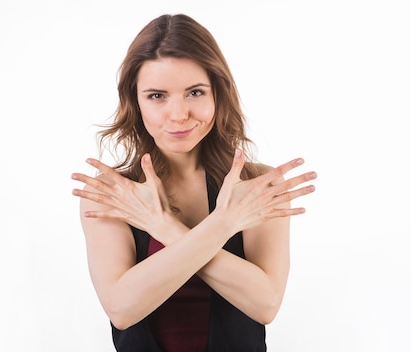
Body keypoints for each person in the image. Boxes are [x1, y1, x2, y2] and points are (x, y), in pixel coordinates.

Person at [70, 13, 316, 352]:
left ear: (218, 93)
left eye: (195, 92)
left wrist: (164, 226)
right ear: (135, 101)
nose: (178, 114)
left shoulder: (256, 186)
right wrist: (224, 224)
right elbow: (122, 308)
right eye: (157, 96)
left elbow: (265, 304)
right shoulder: (113, 194)